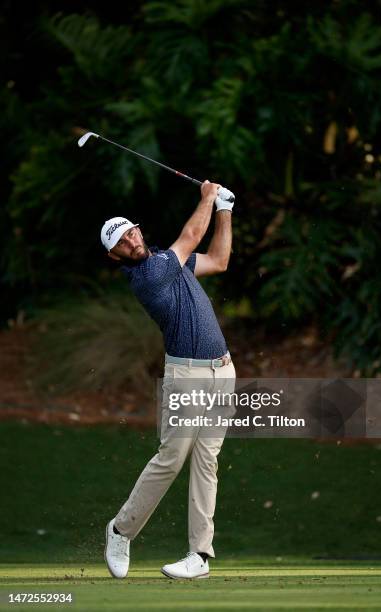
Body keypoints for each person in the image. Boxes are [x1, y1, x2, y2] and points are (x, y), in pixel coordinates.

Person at [101, 180, 236, 579]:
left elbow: (218, 259)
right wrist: (209, 196)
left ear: (138, 230)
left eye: (130, 232)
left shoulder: (168, 261)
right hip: (186, 374)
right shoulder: (149, 275)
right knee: (172, 457)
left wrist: (225, 210)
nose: (129, 241)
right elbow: (194, 234)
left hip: (223, 371)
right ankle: (121, 529)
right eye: (120, 242)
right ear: (114, 256)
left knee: (207, 461)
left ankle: (199, 555)